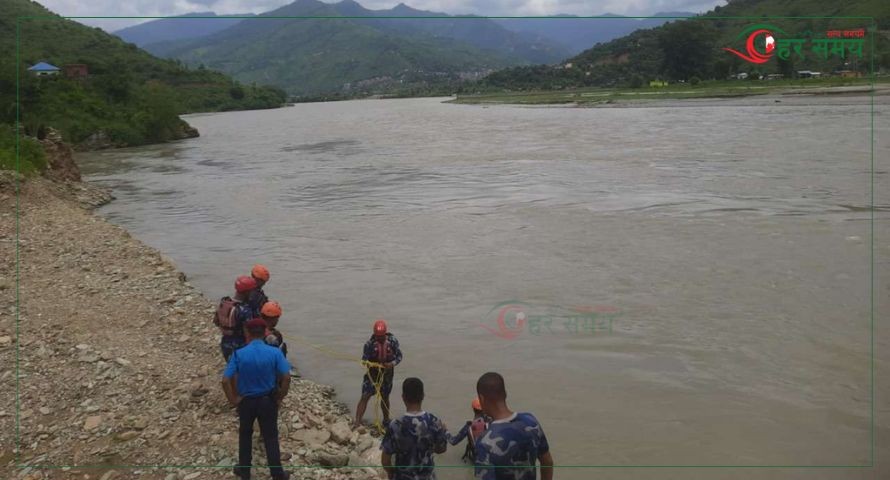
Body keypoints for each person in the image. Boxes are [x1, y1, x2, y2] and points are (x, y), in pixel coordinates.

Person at [221, 318, 292, 480]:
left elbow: (225, 380)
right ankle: (277, 474)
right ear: (265, 332)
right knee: (271, 437)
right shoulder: (274, 352)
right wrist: (280, 395)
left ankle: (245, 472)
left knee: (245, 435)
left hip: (246, 401)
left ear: (247, 332)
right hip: (268, 400)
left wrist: (233, 399)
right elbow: (286, 378)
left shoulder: (239, 354)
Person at [474, 372, 553, 480]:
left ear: (482, 399)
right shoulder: (530, 421)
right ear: (505, 394)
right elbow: (547, 461)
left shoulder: (485, 442)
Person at [380, 377, 447, 480]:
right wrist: (443, 432)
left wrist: (391, 472)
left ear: (403, 397)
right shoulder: (434, 421)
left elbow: (385, 460)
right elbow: (441, 449)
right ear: (423, 396)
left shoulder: (395, 425)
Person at [353, 319, 402, 429]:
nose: (379, 339)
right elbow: (364, 360)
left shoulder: (392, 341)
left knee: (385, 397)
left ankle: (386, 420)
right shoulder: (369, 344)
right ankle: (357, 422)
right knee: (365, 396)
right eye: (377, 336)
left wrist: (392, 364)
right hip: (372, 374)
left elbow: (399, 357)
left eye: (381, 336)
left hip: (387, 374)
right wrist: (369, 364)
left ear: (385, 333)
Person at [214, 275, 258, 362]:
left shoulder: (225, 302)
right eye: (252, 291)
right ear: (247, 292)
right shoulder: (245, 310)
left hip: (225, 343)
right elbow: (248, 335)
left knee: (232, 367)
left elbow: (216, 321)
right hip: (240, 346)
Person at [447, 397, 490, 463]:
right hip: (489, 458)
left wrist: (444, 431)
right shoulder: (491, 422)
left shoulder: (469, 426)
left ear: (473, 409)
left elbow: (453, 441)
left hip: (475, 460)